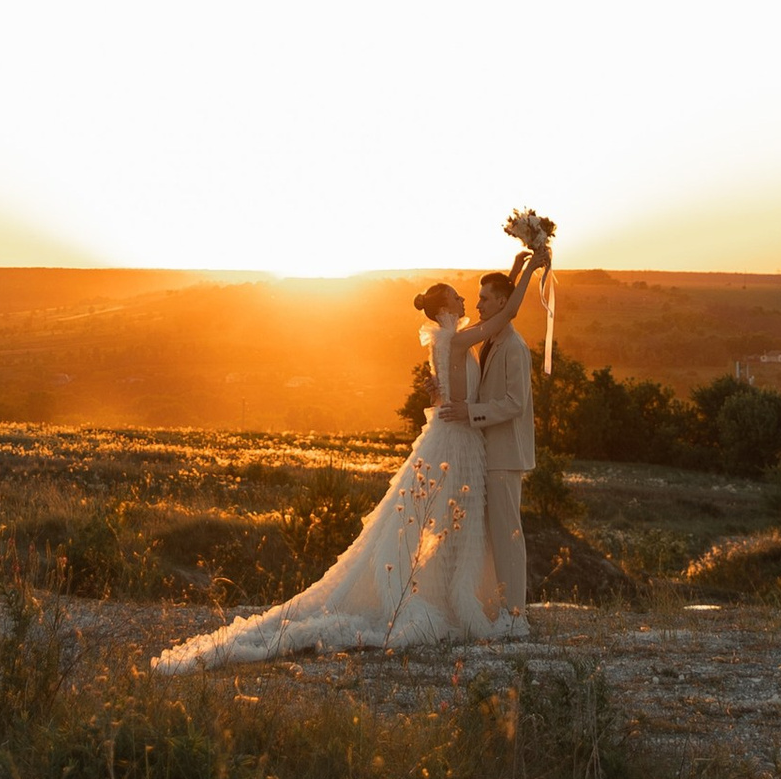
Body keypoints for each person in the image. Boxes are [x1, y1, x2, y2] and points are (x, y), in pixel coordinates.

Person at [149, 239, 548, 671]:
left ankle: (465, 600)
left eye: (472, 295)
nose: (466, 297)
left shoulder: (447, 339)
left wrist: (513, 271)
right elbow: (506, 312)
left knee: (452, 528)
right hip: (460, 442)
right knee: (453, 528)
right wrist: (532, 270)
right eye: (458, 295)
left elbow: (488, 325)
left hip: (458, 438)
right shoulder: (456, 341)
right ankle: (459, 603)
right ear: (446, 308)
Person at [467, 263, 541, 623]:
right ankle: (494, 607)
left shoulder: (515, 347)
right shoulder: (490, 340)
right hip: (489, 454)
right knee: (491, 536)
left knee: (508, 535)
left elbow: (515, 403)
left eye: (484, 299)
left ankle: (515, 613)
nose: (477, 305)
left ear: (500, 303)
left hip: (505, 454)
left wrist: (472, 414)